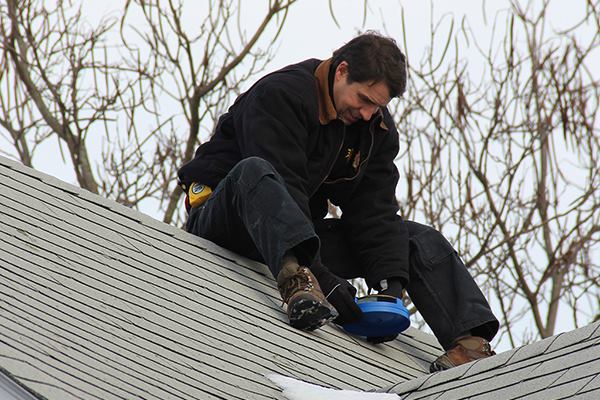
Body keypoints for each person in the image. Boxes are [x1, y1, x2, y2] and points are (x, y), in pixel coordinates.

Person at [177, 32, 499, 372]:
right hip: (228, 221)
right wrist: (324, 280)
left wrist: (392, 285)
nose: (366, 113)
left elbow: (375, 209)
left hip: (299, 237)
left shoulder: (374, 128)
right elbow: (281, 188)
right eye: (363, 99)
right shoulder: (281, 96)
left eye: (377, 105)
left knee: (415, 239)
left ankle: (469, 347)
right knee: (255, 172)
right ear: (341, 71)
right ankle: (297, 283)